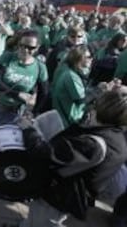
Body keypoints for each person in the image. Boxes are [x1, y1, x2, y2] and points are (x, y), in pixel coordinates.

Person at [19, 89, 127, 227]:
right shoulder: (117, 136)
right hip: (75, 196)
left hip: (59, 197)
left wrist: (28, 129)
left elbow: (43, 152)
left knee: (41, 221)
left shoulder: (92, 144)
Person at [0, 30, 49, 125]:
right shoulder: (7, 57)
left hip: (22, 110)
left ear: (37, 48)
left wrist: (33, 112)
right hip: (0, 106)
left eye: (30, 47)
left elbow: (44, 92)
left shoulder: (40, 67)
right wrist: (17, 94)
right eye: (22, 46)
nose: (25, 50)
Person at [51, 45, 93, 128]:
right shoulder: (70, 75)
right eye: (88, 57)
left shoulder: (66, 69)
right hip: (68, 123)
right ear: (80, 59)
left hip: (63, 118)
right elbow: (81, 100)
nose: (91, 59)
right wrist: (99, 91)